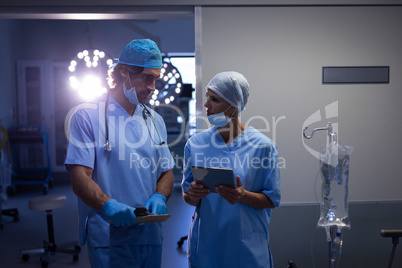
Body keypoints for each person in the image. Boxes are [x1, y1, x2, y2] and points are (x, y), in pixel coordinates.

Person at [65, 39, 174, 268]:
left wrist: (160, 196)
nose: (153, 87)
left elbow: (166, 172)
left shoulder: (155, 121)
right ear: (123, 73)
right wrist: (108, 205)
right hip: (109, 235)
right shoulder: (87, 116)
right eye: (147, 77)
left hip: (149, 234)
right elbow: (80, 178)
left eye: (156, 78)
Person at [181, 71, 281, 268]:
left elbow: (271, 200)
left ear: (234, 105)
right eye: (207, 97)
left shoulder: (263, 147)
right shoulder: (196, 144)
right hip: (207, 246)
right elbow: (188, 197)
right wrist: (193, 194)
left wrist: (243, 196)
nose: (206, 105)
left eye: (214, 99)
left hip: (246, 248)